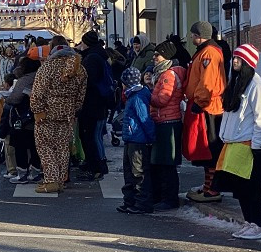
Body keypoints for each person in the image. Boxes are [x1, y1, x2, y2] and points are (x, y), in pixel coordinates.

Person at [213, 45, 261, 239]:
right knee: (240, 187)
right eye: (235, 57)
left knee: (252, 187)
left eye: (240, 58)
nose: (235, 61)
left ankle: (257, 224)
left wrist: (257, 144)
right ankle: (249, 222)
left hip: (248, 143)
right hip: (233, 142)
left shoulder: (256, 84)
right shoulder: (237, 82)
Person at [29, 36, 87, 194]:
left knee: (45, 147)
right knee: (62, 148)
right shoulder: (79, 68)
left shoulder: (48, 67)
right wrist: (73, 110)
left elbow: (37, 93)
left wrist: (37, 111)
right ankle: (61, 180)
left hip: (47, 113)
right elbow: (81, 96)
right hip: (67, 114)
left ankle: (52, 180)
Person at [183, 21, 227, 203]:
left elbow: (207, 81)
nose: (192, 37)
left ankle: (212, 189)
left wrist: (199, 102)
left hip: (208, 107)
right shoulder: (205, 51)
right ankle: (209, 185)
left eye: (193, 34)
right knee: (205, 150)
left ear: (199, 35)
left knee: (209, 149)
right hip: (207, 104)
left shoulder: (208, 53)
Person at [148, 40, 185, 210]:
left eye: (158, 54)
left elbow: (162, 99)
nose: (154, 57)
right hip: (164, 120)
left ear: (167, 56)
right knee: (161, 162)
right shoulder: (163, 74)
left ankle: (169, 199)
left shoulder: (168, 75)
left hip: (168, 122)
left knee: (167, 163)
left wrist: (148, 94)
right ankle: (162, 196)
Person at [117, 67, 155, 214]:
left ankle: (142, 203)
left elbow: (145, 119)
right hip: (131, 138)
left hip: (137, 140)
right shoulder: (132, 95)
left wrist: (150, 138)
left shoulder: (138, 97)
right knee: (129, 171)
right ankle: (130, 201)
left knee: (138, 172)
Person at [76, 31, 112, 180]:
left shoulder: (91, 58)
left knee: (89, 136)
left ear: (86, 43)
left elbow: (88, 82)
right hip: (99, 103)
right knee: (94, 135)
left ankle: (95, 168)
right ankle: (97, 165)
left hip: (91, 104)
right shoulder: (100, 55)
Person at [7, 58, 41, 184]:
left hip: (23, 120)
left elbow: (13, 99)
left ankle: (22, 173)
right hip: (38, 117)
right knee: (35, 147)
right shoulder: (41, 77)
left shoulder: (24, 80)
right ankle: (35, 172)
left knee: (20, 146)